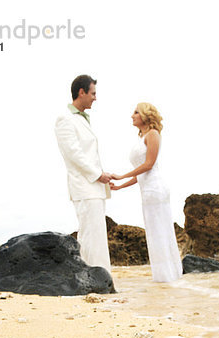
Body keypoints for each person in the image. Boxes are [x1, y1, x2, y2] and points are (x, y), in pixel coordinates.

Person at [110, 103, 182, 282]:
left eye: (135, 112)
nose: (132, 115)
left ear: (145, 115)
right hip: (147, 190)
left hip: (156, 190)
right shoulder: (143, 137)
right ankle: (164, 278)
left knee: (160, 232)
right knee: (154, 233)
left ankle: (168, 278)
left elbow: (149, 165)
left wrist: (120, 176)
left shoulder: (153, 134)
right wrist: (120, 185)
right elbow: (140, 174)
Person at [55, 74, 112, 273]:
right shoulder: (65, 119)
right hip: (84, 187)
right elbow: (74, 154)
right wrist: (98, 175)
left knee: (96, 236)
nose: (95, 98)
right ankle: (95, 282)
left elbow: (87, 155)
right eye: (93, 93)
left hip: (94, 187)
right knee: (90, 237)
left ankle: (103, 280)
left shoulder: (82, 120)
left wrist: (102, 175)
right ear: (82, 92)